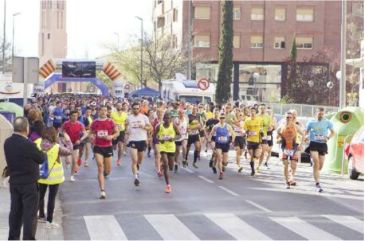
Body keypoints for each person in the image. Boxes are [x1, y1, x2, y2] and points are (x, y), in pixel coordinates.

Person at [4, 117, 46, 240]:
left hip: (15, 182)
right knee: (30, 215)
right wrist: (42, 150)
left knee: (15, 212)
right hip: (29, 184)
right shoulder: (29, 144)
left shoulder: (8, 142)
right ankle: (28, 238)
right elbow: (41, 158)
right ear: (25, 128)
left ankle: (13, 237)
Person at [35, 127, 72, 228]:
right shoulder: (57, 147)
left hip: (41, 175)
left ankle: (40, 216)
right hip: (54, 178)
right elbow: (69, 151)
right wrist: (67, 140)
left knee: (40, 196)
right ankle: (49, 220)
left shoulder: (37, 143)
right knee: (51, 198)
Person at [90, 106, 119, 199]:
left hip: (108, 147)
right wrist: (91, 137)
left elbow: (117, 132)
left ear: (107, 112)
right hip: (98, 147)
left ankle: (105, 174)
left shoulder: (111, 121)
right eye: (102, 110)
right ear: (99, 111)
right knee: (100, 167)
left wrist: (111, 136)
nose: (103, 112)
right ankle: (102, 190)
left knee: (108, 170)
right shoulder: (95, 122)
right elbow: (90, 132)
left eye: (105, 110)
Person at [305, 107, 335, 192]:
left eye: (322, 114)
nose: (321, 115)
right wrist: (306, 137)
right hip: (313, 143)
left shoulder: (327, 122)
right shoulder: (311, 122)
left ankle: (315, 171)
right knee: (316, 162)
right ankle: (317, 183)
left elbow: (333, 132)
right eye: (319, 114)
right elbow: (306, 131)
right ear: (316, 113)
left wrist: (328, 138)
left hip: (322, 144)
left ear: (324, 114)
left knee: (320, 166)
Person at [125, 102, 152, 186]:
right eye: (134, 108)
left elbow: (150, 128)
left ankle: (137, 167)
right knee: (134, 160)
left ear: (139, 109)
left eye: (137, 108)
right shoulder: (129, 118)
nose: (136, 110)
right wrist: (126, 133)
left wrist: (143, 127)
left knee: (139, 160)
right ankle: (136, 177)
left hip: (142, 140)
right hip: (132, 140)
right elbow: (126, 127)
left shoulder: (144, 117)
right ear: (132, 109)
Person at [276, 112, 304, 189]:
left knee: (293, 165)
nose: (288, 118)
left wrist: (301, 145)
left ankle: (292, 177)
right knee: (285, 165)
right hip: (284, 147)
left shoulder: (296, 126)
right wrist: (278, 140)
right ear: (285, 118)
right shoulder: (281, 127)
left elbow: (303, 134)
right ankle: (287, 182)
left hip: (294, 147)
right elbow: (277, 136)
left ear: (292, 118)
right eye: (287, 117)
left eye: (290, 117)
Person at [155, 113, 180, 193]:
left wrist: (173, 139)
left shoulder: (174, 126)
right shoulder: (160, 126)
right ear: (163, 119)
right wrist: (160, 139)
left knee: (171, 167)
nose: (167, 120)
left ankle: (162, 166)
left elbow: (179, 135)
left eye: (168, 118)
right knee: (166, 164)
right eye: (165, 118)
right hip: (163, 147)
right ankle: (168, 185)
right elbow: (155, 135)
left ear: (171, 119)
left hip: (171, 147)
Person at [62, 110, 88, 182]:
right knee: (68, 161)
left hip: (76, 144)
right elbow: (61, 132)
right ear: (70, 116)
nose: (75, 117)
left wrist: (80, 140)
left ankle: (72, 175)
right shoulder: (66, 123)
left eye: (76, 116)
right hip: (67, 144)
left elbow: (85, 134)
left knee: (74, 161)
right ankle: (66, 164)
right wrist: (64, 138)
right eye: (73, 116)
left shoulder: (80, 124)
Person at [209, 112, 235, 179]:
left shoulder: (228, 126)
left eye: (223, 118)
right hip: (218, 144)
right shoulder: (216, 126)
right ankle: (221, 172)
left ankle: (224, 165)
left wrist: (232, 141)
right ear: (219, 118)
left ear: (225, 118)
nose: (222, 119)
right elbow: (211, 133)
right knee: (219, 158)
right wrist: (209, 140)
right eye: (221, 118)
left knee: (225, 161)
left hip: (226, 144)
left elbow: (233, 133)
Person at [243, 107, 263, 176]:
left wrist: (261, 131)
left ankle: (253, 160)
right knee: (251, 156)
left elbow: (261, 128)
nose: (252, 112)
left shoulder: (259, 119)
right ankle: (252, 170)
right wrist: (246, 131)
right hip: (250, 140)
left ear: (256, 112)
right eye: (251, 111)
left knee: (256, 156)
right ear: (249, 112)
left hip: (257, 140)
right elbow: (244, 129)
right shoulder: (247, 120)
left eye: (254, 111)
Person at [111, 102, 128, 166]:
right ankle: (111, 151)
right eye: (117, 106)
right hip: (115, 131)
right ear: (116, 107)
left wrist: (126, 130)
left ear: (122, 107)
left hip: (122, 131)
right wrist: (115, 125)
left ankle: (119, 160)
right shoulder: (113, 114)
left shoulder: (125, 114)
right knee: (114, 147)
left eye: (120, 105)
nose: (119, 107)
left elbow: (126, 123)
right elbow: (111, 122)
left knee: (120, 146)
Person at [174, 108, 188, 173]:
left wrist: (188, 130)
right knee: (177, 151)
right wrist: (177, 126)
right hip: (177, 136)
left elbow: (187, 127)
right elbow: (174, 128)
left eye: (182, 113)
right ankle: (176, 164)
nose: (181, 114)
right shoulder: (176, 120)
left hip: (184, 135)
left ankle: (184, 159)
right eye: (180, 113)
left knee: (184, 147)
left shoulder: (186, 119)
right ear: (178, 114)